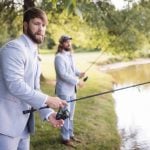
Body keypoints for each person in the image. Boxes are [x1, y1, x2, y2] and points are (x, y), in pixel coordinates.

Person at [0, 7, 67, 150]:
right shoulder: (14, 48)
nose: (41, 29)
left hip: (23, 126)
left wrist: (48, 113)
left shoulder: (34, 52)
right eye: (37, 23)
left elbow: (35, 88)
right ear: (25, 25)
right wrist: (48, 99)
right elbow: (15, 85)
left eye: (43, 25)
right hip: (5, 125)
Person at [54, 35, 85, 147]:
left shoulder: (70, 55)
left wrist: (79, 73)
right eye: (66, 42)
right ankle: (65, 138)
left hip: (72, 90)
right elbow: (63, 74)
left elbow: (73, 69)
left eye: (69, 42)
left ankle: (70, 134)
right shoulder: (59, 57)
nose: (69, 44)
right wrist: (77, 81)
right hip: (63, 91)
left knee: (71, 114)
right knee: (64, 114)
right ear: (61, 43)